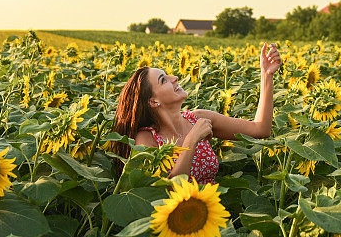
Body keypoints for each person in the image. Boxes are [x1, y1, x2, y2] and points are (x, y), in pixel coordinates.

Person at [110, 42, 282, 183]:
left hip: (211, 214)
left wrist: (266, 75)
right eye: (164, 80)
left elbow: (260, 130)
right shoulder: (147, 139)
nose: (174, 78)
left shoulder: (199, 118)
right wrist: (192, 139)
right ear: (153, 101)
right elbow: (164, 192)